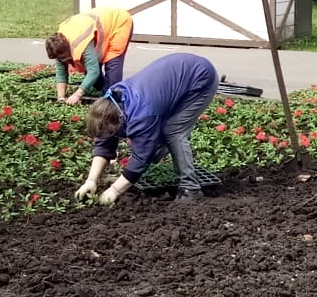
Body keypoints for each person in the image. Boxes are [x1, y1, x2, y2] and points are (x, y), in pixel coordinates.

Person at [75, 53, 220, 205]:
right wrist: (91, 181)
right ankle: (135, 174)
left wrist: (115, 191)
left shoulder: (142, 114)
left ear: (119, 123)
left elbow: (141, 157)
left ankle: (191, 188)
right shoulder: (110, 104)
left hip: (199, 77)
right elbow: (104, 145)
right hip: (175, 77)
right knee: (155, 145)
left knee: (174, 132)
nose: (106, 137)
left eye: (110, 133)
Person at [45, 7, 133, 105]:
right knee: (96, 81)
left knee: (112, 65)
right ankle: (103, 93)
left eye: (65, 58)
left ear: (68, 49)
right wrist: (60, 97)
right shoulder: (57, 46)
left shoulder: (81, 42)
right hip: (99, 25)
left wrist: (77, 95)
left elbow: (93, 71)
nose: (64, 61)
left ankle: (113, 101)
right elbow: (61, 72)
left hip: (118, 22)